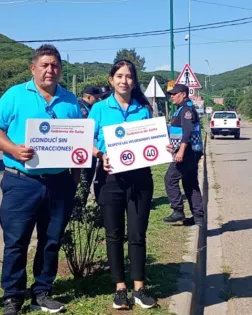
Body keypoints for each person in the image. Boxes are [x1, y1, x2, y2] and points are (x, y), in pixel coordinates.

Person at [0, 44, 81, 315]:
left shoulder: (70, 101)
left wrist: (73, 179)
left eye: (55, 65)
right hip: (21, 181)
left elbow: (78, 145)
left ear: (60, 69)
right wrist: (13, 149)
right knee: (16, 241)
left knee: (51, 240)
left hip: (59, 183)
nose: (50, 69)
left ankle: (42, 292)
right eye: (45, 65)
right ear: (33, 68)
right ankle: (12, 297)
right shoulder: (15, 95)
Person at [88, 60, 158, 310]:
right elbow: (87, 143)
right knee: (114, 235)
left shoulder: (143, 110)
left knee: (138, 235)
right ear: (111, 80)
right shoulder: (99, 109)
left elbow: (153, 142)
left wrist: (164, 148)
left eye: (129, 76)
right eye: (119, 76)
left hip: (140, 179)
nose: (124, 80)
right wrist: (100, 155)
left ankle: (139, 288)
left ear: (134, 81)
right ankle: (120, 288)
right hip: (111, 179)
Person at [163, 83, 204, 226]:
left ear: (184, 94)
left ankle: (178, 210)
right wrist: (173, 145)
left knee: (170, 179)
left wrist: (180, 151)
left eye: (175, 94)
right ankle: (198, 217)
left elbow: (187, 132)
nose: (172, 97)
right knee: (190, 183)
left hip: (187, 153)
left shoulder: (186, 110)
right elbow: (177, 132)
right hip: (191, 152)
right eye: (171, 94)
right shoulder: (182, 109)